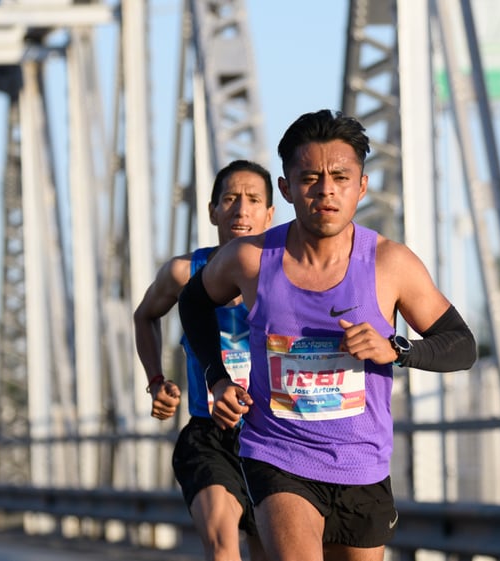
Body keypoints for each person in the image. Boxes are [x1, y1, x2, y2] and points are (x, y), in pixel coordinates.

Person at [178, 109, 477, 561]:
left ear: (362, 186)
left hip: (363, 465)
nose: (325, 190)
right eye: (309, 178)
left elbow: (461, 344)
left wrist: (395, 348)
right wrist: (216, 377)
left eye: (340, 176)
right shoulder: (252, 259)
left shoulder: (390, 264)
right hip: (278, 456)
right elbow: (194, 302)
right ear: (287, 188)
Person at [133, 159, 274, 561]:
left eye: (252, 200)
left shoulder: (289, 274)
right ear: (212, 210)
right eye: (229, 199)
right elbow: (145, 315)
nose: (240, 210)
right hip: (209, 436)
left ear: (269, 212)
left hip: (272, 438)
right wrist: (156, 380)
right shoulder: (183, 272)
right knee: (223, 547)